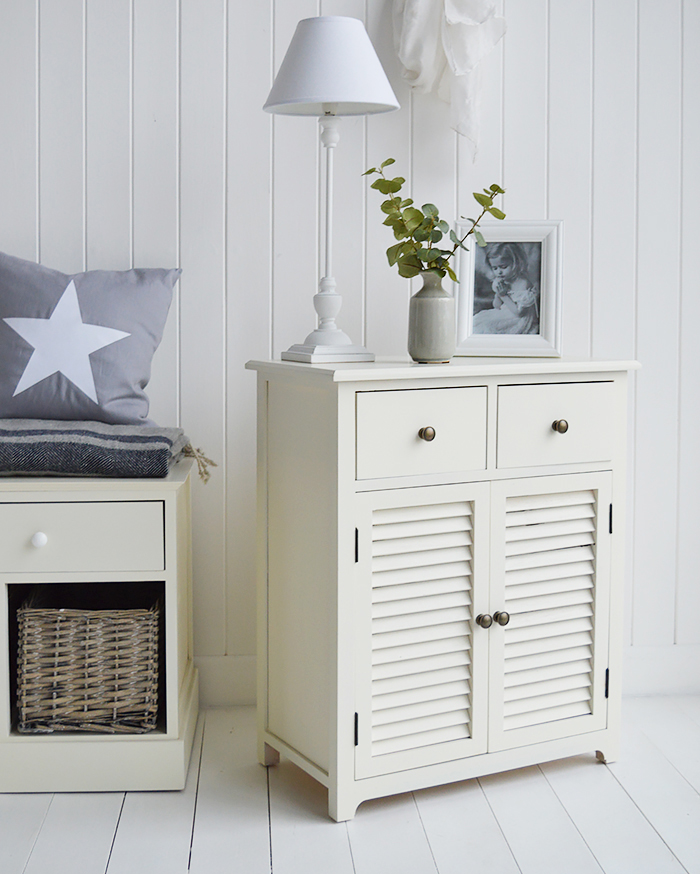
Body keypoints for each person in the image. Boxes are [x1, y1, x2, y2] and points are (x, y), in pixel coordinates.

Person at [472, 243, 539, 335]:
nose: (499, 272)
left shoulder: (523, 283)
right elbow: (497, 306)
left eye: (503, 267)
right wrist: (498, 295)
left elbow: (519, 313)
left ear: (516, 263)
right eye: (495, 268)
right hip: (504, 312)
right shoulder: (501, 281)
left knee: (488, 326)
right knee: (476, 321)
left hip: (519, 319)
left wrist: (504, 295)